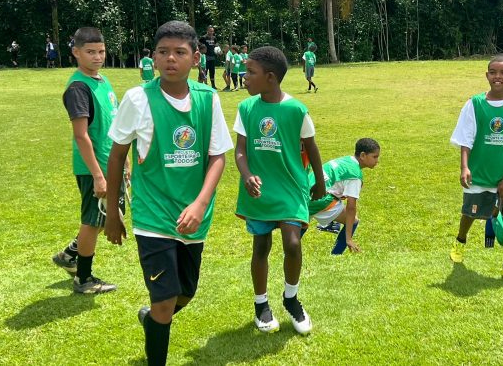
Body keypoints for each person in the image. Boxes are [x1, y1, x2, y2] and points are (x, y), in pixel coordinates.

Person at [105, 20, 231, 365]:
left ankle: (152, 320)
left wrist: (200, 203)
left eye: (179, 52)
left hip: (194, 216)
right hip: (153, 215)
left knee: (185, 294)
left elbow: (218, 156)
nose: (170, 59)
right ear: (154, 59)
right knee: (163, 300)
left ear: (195, 58)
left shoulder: (208, 99)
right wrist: (113, 212)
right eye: (163, 52)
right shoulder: (137, 99)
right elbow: (117, 156)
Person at [233, 46, 326, 335]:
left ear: (270, 77)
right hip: (260, 189)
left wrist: (320, 182)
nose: (244, 77)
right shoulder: (246, 108)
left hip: (290, 187)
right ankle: (261, 304)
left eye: (250, 72)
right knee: (261, 246)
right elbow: (240, 150)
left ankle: (291, 298)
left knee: (293, 244)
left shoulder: (296, 109)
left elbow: (311, 146)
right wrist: (247, 175)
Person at [449, 54, 503, 285]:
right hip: (480, 171)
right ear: (487, 75)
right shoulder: (474, 103)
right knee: (472, 213)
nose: (498, 77)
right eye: (493, 72)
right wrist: (465, 167)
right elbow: (466, 138)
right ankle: (460, 239)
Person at [51, 27, 122, 294]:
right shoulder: (79, 88)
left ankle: (71, 254)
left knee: (106, 216)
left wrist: (122, 162)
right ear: (76, 52)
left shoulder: (102, 80)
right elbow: (81, 136)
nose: (97, 57)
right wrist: (98, 175)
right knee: (93, 221)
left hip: (109, 161)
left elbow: (112, 124)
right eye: (90, 52)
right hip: (94, 167)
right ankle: (84, 279)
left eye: (101, 51)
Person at [305, 138, 381, 254]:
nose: (377, 161)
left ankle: (289, 251)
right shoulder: (354, 175)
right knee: (353, 220)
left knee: (301, 224)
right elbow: (351, 208)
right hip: (319, 200)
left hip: (305, 193)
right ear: (362, 155)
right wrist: (349, 238)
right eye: (375, 157)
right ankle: (337, 253)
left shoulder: (346, 160)